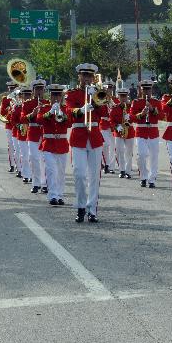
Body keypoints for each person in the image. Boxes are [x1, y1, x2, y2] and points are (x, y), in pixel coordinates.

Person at [65, 63, 109, 223]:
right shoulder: (72, 93)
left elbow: (105, 113)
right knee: (79, 174)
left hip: (95, 137)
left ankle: (92, 210)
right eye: (84, 76)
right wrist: (81, 110)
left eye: (89, 76)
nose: (87, 78)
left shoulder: (98, 92)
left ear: (93, 78)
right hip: (78, 136)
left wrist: (96, 100)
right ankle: (80, 206)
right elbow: (68, 110)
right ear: (79, 77)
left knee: (94, 176)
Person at [38, 84, 70, 206]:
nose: (56, 98)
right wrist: (51, 112)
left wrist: (62, 113)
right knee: (51, 170)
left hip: (61, 144)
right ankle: (52, 195)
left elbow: (69, 124)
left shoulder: (65, 108)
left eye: (58, 95)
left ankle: (60, 195)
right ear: (50, 96)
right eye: (54, 95)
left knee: (61, 172)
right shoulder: (44, 107)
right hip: (48, 144)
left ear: (61, 96)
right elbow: (39, 120)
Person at [130, 80, 162, 188]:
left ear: (151, 90)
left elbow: (162, 116)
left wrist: (152, 109)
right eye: (144, 89)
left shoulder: (156, 102)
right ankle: (143, 176)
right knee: (141, 155)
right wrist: (141, 114)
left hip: (153, 132)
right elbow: (131, 117)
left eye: (148, 89)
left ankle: (152, 179)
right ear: (141, 90)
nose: (147, 91)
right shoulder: (136, 102)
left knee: (154, 157)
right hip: (140, 132)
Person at [21, 79, 49, 194]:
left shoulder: (47, 102)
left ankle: (45, 183)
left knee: (45, 159)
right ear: (33, 91)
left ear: (43, 90)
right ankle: (36, 183)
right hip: (32, 132)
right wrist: (32, 114)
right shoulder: (27, 104)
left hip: (44, 133)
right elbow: (22, 119)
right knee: (34, 158)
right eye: (37, 89)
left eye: (41, 89)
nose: (39, 91)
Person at [109, 88, 135, 179]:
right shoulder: (114, 108)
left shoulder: (131, 106)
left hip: (130, 131)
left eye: (125, 96)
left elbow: (136, 117)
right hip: (119, 132)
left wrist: (130, 117)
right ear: (118, 97)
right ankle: (122, 170)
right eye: (121, 96)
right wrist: (117, 127)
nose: (123, 98)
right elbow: (111, 121)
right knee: (119, 151)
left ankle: (128, 171)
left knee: (129, 152)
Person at [0, 80, 18, 172]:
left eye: (13, 88)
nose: (12, 90)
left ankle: (20, 166)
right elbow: (2, 113)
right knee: (11, 145)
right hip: (10, 125)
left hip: (19, 125)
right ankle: (12, 165)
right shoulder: (5, 99)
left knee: (19, 146)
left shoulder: (20, 97)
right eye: (10, 88)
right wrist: (10, 108)